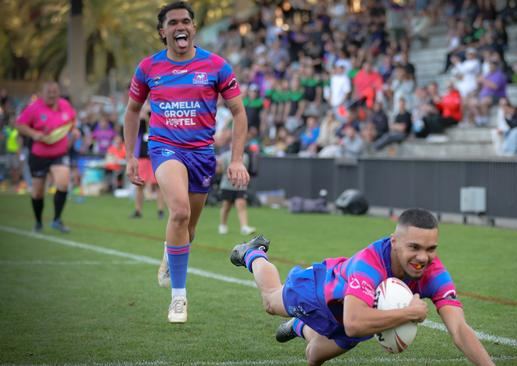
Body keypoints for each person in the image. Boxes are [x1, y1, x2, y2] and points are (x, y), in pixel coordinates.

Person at [229, 208, 494, 366]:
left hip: (359, 315)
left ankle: (301, 326)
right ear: (395, 242)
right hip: (320, 291)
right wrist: (409, 314)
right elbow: (355, 323)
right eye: (414, 247)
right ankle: (253, 254)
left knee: (313, 358)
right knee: (271, 301)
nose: (423, 257)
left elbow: (459, 329)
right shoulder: (369, 263)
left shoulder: (434, 272)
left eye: (431, 248)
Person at [123, 1, 249, 324]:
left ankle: (170, 250)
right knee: (178, 210)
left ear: (193, 28)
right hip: (165, 149)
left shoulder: (217, 66)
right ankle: (179, 297)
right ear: (162, 32)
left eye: (186, 22)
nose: (180, 27)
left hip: (202, 154)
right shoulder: (148, 68)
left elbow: (238, 112)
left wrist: (236, 160)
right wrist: (130, 156)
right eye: (173, 23)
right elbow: (133, 111)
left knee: (188, 229)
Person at [16, 82, 76, 233]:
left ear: (59, 93)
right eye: (48, 92)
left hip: (59, 153)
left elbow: (72, 121)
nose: (52, 94)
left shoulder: (65, 105)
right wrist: (34, 134)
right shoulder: (34, 108)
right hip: (39, 154)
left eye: (55, 91)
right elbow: (19, 125)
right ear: (42, 93)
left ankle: (57, 220)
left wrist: (74, 133)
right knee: (37, 192)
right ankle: (38, 222)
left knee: (63, 183)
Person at [131, 111, 165, 220]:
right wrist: (144, 114)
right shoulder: (142, 124)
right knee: (139, 184)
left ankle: (160, 211)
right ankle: (138, 210)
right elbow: (136, 119)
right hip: (143, 157)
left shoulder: (159, 123)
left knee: (158, 185)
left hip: (156, 157)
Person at [217, 146, 256, 235]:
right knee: (226, 206)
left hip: (240, 185)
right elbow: (220, 170)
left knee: (241, 204)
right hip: (227, 184)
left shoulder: (245, 156)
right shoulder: (224, 155)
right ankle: (222, 225)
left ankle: (244, 226)